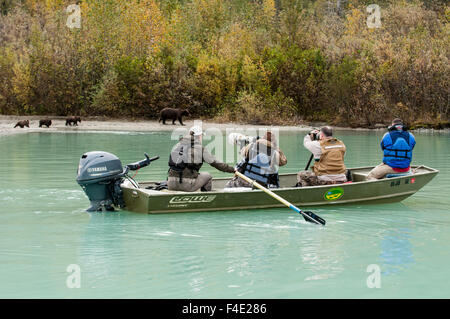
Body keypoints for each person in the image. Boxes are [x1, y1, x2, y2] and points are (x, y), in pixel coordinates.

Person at [167, 125, 235, 192]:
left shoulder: (177, 145)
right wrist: (233, 170)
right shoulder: (200, 149)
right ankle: (206, 197)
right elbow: (217, 163)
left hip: (170, 184)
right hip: (186, 186)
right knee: (208, 176)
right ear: (199, 136)